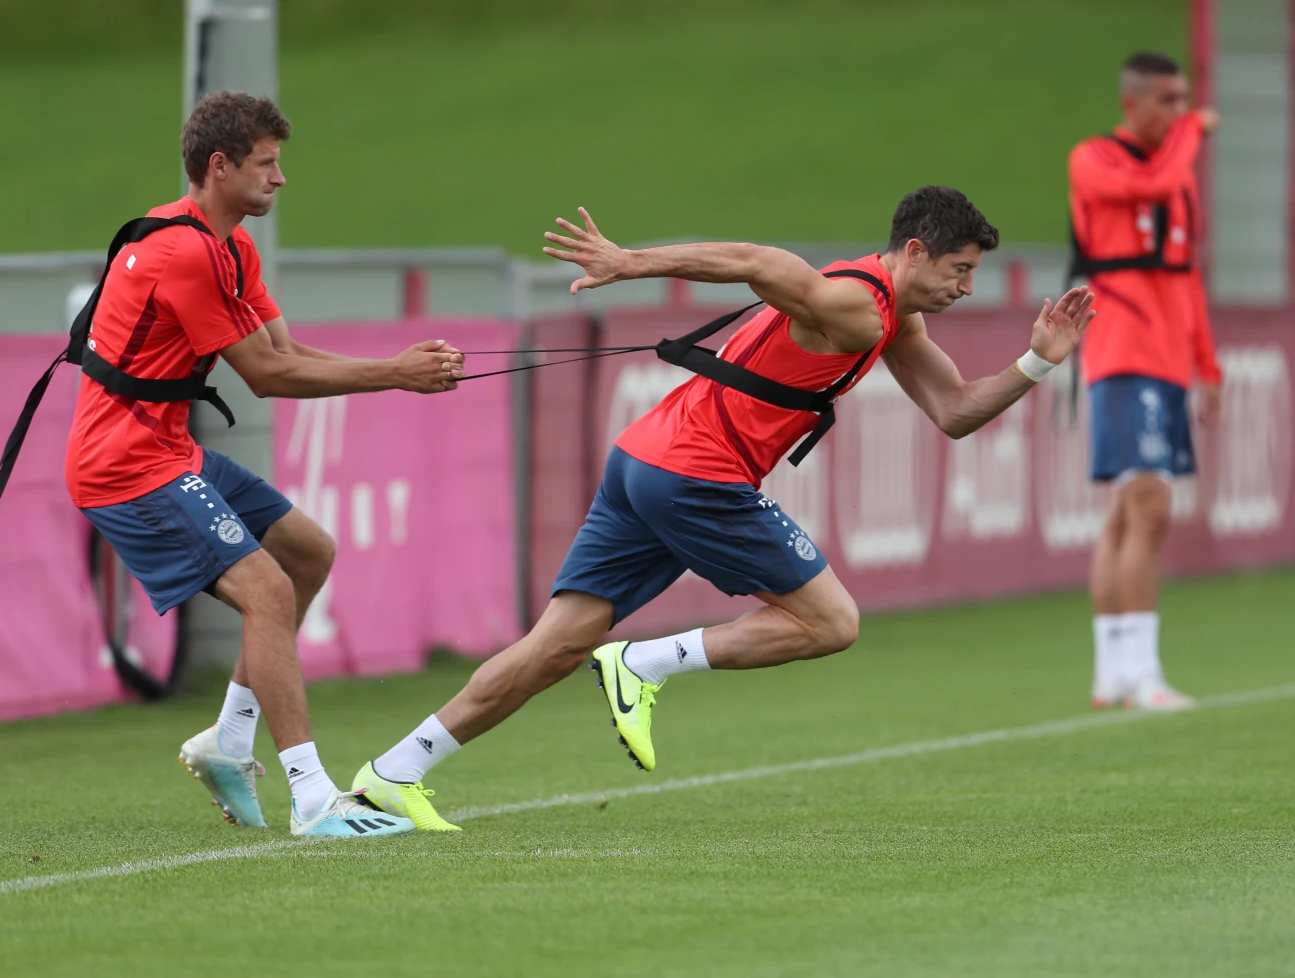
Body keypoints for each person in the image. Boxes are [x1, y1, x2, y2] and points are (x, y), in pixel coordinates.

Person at [348, 186, 1096, 831]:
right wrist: (629, 263)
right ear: (916, 251)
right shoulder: (860, 308)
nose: (966, 287)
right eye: (960, 269)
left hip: (643, 461)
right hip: (695, 475)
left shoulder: (892, 320)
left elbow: (956, 410)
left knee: (554, 647)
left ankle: (392, 772)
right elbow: (753, 259)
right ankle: (641, 662)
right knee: (832, 622)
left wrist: (1038, 360)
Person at [66, 91, 466, 837]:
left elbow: (284, 350)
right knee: (268, 591)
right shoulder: (186, 253)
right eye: (266, 163)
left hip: (167, 451)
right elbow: (267, 376)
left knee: (308, 552)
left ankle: (227, 740)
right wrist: (394, 373)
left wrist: (397, 368)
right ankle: (312, 801)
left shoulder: (231, 246)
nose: (280, 178)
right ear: (219, 167)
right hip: (125, 466)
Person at [1068, 52, 1222, 711]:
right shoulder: (1094, 159)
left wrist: (1207, 365)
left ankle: (1112, 672)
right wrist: (1193, 133)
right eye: (1166, 100)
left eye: (1183, 100)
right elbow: (1153, 185)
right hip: (1123, 352)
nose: (1178, 113)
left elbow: (1185, 278)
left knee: (1127, 513)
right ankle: (1142, 672)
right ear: (1130, 103)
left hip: (1165, 361)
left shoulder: (1178, 178)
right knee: (1151, 510)